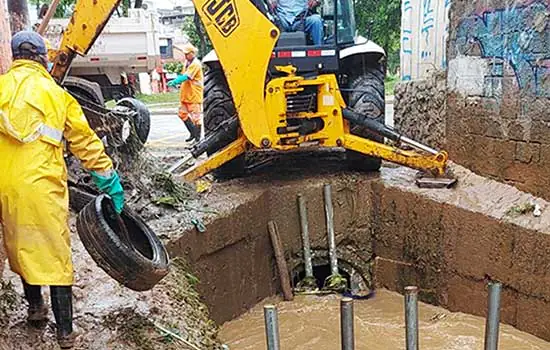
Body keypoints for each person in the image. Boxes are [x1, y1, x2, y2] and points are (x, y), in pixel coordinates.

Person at [0, 31, 124, 349]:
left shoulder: (1, 89)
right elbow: (85, 141)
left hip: (6, 187)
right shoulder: (57, 95)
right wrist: (107, 179)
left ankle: (36, 309)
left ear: (15, 58)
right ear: (42, 57)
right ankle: (66, 333)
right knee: (54, 255)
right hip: (42, 186)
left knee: (22, 245)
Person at [167, 43, 204, 144]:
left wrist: (175, 81)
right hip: (186, 94)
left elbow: (187, 76)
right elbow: (183, 75)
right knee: (182, 114)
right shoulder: (186, 63)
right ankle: (192, 133)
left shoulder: (196, 64)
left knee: (196, 118)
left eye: (187, 54)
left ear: (192, 53)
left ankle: (197, 139)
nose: (185, 56)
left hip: (194, 94)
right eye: (185, 54)